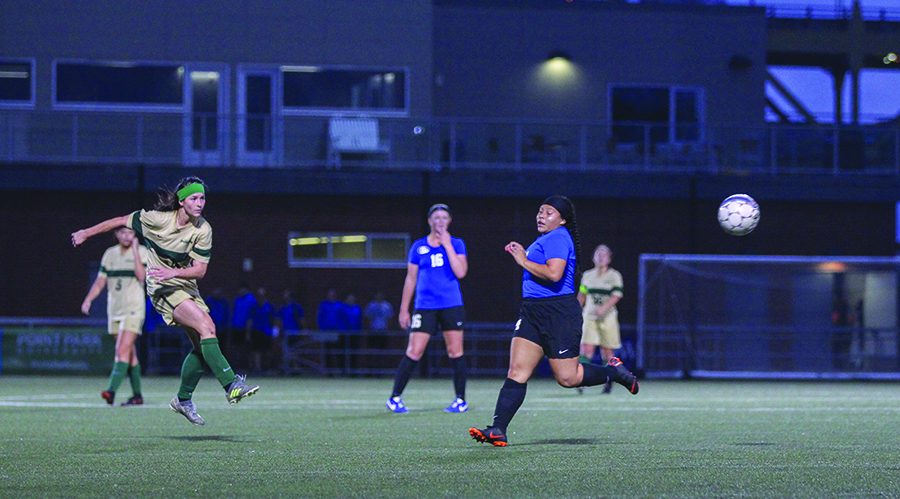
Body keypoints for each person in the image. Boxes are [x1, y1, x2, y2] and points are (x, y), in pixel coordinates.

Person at [72, 176, 259, 426]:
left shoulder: (203, 229)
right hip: (161, 287)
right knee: (207, 327)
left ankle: (183, 400)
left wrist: (175, 272)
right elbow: (119, 221)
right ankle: (230, 384)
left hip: (184, 286)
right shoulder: (156, 220)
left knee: (202, 347)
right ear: (181, 201)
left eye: (203, 197)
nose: (200, 202)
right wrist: (86, 232)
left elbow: (200, 270)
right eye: (194, 198)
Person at [469, 195, 638, 447]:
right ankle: (498, 429)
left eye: (548, 212)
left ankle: (613, 372)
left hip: (558, 313)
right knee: (517, 371)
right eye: (540, 211)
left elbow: (554, 273)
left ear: (562, 220)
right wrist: (526, 254)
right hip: (532, 312)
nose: (541, 215)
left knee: (567, 378)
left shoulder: (559, 237)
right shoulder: (545, 239)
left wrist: (523, 260)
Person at [387, 203, 469, 414]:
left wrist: (448, 245)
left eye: (444, 218)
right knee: (414, 351)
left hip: (451, 305)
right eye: (436, 217)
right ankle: (395, 398)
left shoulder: (457, 244)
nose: (440, 221)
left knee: (455, 351)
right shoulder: (418, 247)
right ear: (429, 221)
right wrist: (404, 309)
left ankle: (460, 399)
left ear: (449, 221)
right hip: (425, 306)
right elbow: (410, 278)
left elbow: (461, 272)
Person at [80, 227, 149, 406]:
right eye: (124, 233)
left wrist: (134, 250)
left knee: (121, 350)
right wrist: (89, 299)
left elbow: (142, 277)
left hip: (134, 309)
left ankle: (110, 391)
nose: (127, 236)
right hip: (114, 310)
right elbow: (100, 281)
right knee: (130, 354)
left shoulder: (142, 252)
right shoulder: (110, 254)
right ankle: (137, 396)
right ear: (117, 234)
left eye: (131, 233)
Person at [576, 244, 624, 394]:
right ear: (593, 257)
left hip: (608, 317)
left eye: (604, 255)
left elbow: (617, 295)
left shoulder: (614, 275)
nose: (601, 257)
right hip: (589, 316)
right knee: (586, 349)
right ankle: (581, 380)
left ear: (609, 258)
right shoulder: (588, 275)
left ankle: (609, 380)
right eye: (598, 254)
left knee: (607, 352)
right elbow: (582, 294)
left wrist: (604, 308)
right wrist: (576, 311)